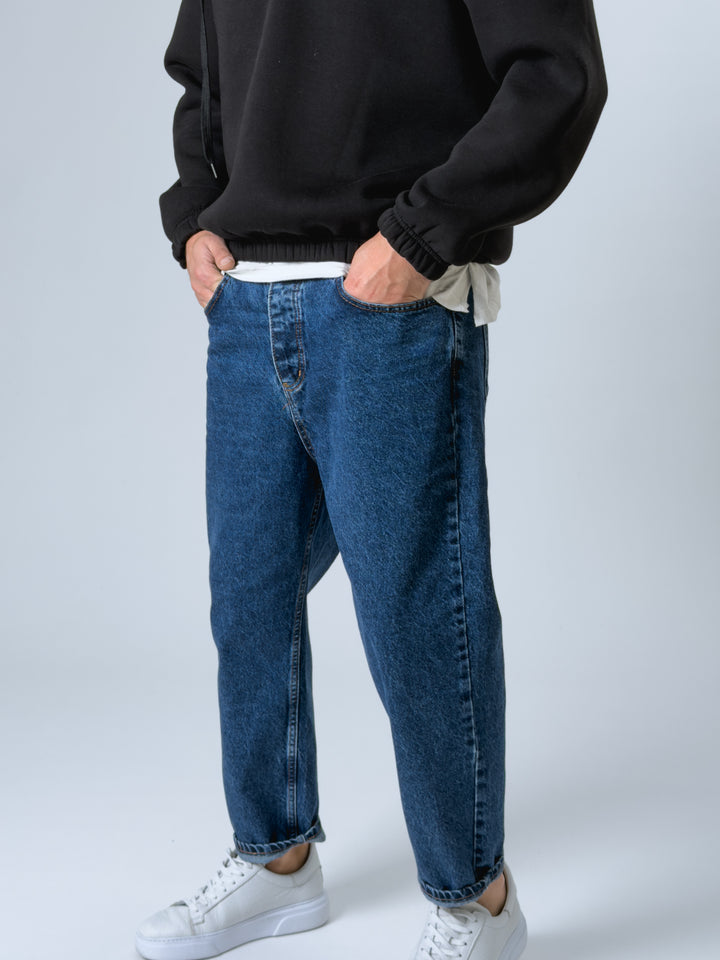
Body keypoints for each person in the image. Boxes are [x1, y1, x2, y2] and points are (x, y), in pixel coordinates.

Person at [136, 2, 606, 958]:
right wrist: (193, 220)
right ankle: (276, 860)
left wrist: (424, 233)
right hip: (248, 298)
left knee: (417, 607)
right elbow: (200, 69)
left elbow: (557, 76)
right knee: (249, 594)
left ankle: (478, 902)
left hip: (392, 298)